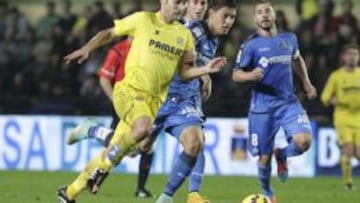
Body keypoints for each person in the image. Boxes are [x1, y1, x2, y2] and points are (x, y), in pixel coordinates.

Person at [57, 0, 227, 202]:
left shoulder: (184, 35)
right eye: (178, 2)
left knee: (129, 149)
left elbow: (185, 71)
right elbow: (109, 33)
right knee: (142, 129)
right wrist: (87, 48)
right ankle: (106, 164)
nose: (181, 7)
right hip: (129, 91)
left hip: (154, 103)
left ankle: (70, 192)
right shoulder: (143, 20)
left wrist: (206, 70)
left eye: (183, 4)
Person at [232, 0, 316, 202]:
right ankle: (268, 194)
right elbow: (236, 75)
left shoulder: (289, 39)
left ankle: (283, 154)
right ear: (255, 18)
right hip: (262, 108)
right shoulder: (250, 45)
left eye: (267, 11)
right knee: (263, 157)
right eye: (259, 12)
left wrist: (306, 82)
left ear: (274, 14)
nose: (264, 15)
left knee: (304, 141)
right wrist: (250, 75)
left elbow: (297, 59)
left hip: (289, 103)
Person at [155, 1, 236, 203]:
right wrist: (203, 72)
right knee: (138, 147)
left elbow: (193, 59)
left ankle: (184, 196)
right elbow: (175, 48)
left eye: (232, 18)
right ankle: (93, 130)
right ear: (211, 13)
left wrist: (203, 72)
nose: (228, 22)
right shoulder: (195, 30)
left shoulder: (212, 38)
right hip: (163, 95)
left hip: (185, 98)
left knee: (196, 141)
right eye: (225, 16)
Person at [321, 43, 360, 191]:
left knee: (358, 153)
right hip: (343, 118)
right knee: (349, 150)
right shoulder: (336, 76)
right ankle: (348, 182)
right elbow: (324, 97)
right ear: (344, 57)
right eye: (349, 54)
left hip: (359, 119)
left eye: (355, 54)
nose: (352, 57)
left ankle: (344, 163)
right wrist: (333, 100)